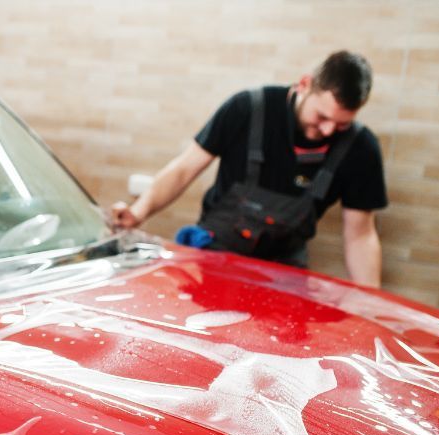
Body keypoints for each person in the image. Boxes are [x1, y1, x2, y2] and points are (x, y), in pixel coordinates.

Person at [111, 50, 387, 288]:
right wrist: (138, 212)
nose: (328, 130)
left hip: (285, 272)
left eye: (341, 124)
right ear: (305, 84)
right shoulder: (248, 109)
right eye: (322, 117)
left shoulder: (360, 148)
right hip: (215, 257)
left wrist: (371, 300)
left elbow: (360, 234)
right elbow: (184, 169)